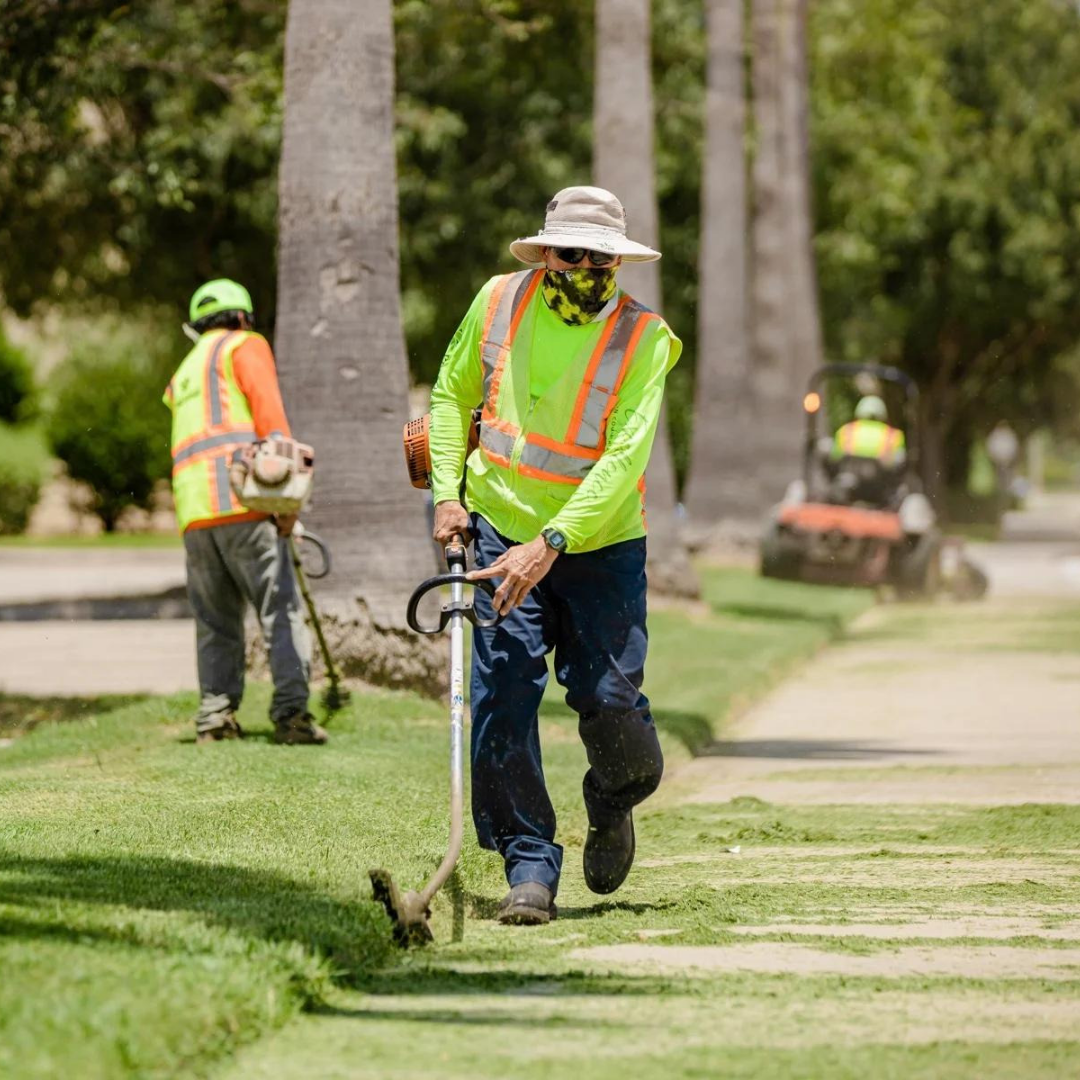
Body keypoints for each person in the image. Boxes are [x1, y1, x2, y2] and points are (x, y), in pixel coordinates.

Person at [428, 186, 682, 925]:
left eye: (602, 257)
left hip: (598, 546)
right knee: (502, 694)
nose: (587, 268)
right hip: (500, 532)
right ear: (545, 255)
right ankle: (528, 864)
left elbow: (623, 460)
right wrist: (449, 496)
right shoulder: (498, 303)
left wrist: (553, 542)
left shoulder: (646, 340)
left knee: (609, 703)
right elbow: (450, 396)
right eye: (572, 254)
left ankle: (612, 800)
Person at [164, 278, 327, 746]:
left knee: (215, 621)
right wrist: (288, 501)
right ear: (241, 317)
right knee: (280, 612)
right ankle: (292, 716)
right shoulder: (244, 345)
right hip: (246, 500)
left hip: (195, 513)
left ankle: (216, 717)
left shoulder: (186, 370)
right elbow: (272, 428)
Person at [831, 395, 906, 467]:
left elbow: (834, 457)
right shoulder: (894, 435)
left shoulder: (846, 430)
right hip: (883, 478)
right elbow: (900, 461)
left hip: (849, 477)